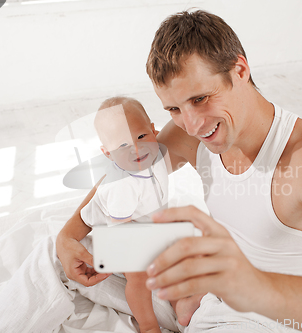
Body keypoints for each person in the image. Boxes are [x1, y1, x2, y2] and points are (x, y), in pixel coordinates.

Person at [58, 10, 302, 332]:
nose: (191, 123)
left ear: (240, 69)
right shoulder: (196, 131)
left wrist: (251, 287)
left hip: (259, 314)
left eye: (200, 98)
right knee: (57, 257)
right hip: (208, 283)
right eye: (174, 108)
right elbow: (127, 171)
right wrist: (69, 233)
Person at [58, 96, 202, 332]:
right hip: (118, 229)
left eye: (142, 136)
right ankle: (147, 325)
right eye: (123, 145)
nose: (136, 148)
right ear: (107, 153)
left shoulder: (157, 157)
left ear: (154, 131)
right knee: (139, 277)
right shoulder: (121, 185)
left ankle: (181, 304)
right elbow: (121, 230)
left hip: (146, 222)